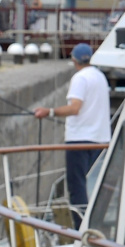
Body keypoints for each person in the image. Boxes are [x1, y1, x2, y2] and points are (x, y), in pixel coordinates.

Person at [33, 42, 110, 227]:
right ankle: (94, 223)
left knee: (77, 187)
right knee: (93, 184)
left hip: (79, 140)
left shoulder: (80, 78)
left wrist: (49, 112)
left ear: (74, 60)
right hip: (100, 140)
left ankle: (80, 228)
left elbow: (75, 108)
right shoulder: (100, 77)